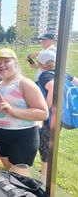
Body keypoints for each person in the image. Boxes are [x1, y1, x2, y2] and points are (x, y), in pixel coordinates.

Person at [0, 48, 48, 170]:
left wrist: (12, 111)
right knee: (10, 174)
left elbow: (43, 113)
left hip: (22, 137)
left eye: (6, 61)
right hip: (2, 138)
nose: (2, 65)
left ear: (15, 63)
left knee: (20, 179)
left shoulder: (24, 83)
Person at [37, 50, 78, 183]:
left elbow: (52, 87)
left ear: (40, 64)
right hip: (60, 117)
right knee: (50, 147)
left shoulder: (44, 75)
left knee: (45, 151)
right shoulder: (63, 74)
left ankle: (44, 181)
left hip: (49, 119)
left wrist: (44, 111)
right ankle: (47, 175)